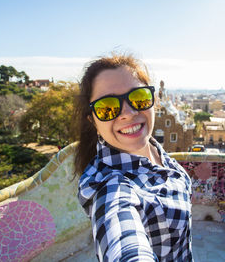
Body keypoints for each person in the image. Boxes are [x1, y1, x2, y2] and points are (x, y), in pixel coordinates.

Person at [73, 54, 193, 261]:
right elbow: (121, 235)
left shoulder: (156, 153)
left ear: (153, 101)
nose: (127, 113)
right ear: (93, 121)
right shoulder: (111, 187)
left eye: (138, 98)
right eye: (107, 107)